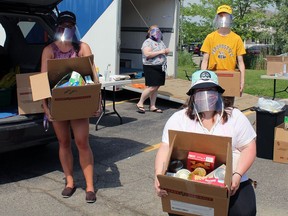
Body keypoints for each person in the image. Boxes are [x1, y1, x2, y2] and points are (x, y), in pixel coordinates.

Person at [154, 70, 257, 215]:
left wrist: (238, 175)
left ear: (218, 93)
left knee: (246, 211)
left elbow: (249, 147)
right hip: (191, 179)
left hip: (230, 178)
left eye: (210, 90)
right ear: (192, 95)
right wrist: (159, 176)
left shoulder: (235, 117)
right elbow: (166, 147)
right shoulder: (179, 119)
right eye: (200, 91)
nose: (206, 95)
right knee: (178, 208)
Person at [41, 11, 96, 203]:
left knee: (81, 141)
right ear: (57, 27)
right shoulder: (49, 50)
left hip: (79, 102)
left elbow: (92, 76)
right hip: (58, 103)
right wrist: (45, 108)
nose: (66, 28)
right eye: (63, 25)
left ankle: (89, 187)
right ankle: (70, 182)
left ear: (75, 27)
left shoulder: (82, 47)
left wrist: (95, 103)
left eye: (70, 25)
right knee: (63, 142)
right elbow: (42, 81)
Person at [200, 5, 246, 107]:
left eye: (226, 16)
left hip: (230, 77)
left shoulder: (236, 38)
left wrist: (241, 81)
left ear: (230, 18)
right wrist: (203, 78)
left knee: (228, 109)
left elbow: (241, 62)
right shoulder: (210, 37)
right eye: (221, 16)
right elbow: (205, 61)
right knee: (212, 109)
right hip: (213, 77)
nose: (223, 19)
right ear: (217, 18)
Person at [136, 25, 170, 113]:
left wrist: (165, 52)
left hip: (160, 66)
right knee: (152, 87)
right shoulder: (147, 42)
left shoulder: (160, 42)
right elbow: (147, 54)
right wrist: (161, 51)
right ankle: (140, 102)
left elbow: (163, 51)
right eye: (154, 30)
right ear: (149, 32)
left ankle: (153, 106)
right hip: (151, 66)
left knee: (156, 87)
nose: (157, 32)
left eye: (158, 30)